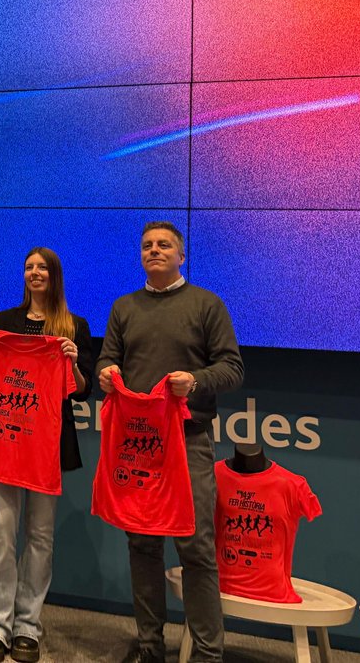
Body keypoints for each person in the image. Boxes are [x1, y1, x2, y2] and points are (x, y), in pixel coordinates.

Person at [96, 221, 244, 663]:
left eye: (164, 245)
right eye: (147, 246)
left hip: (188, 441)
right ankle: (149, 647)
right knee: (141, 546)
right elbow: (108, 357)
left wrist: (195, 380)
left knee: (195, 547)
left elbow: (232, 369)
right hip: (138, 447)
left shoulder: (206, 304)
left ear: (182, 255)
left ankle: (207, 654)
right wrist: (106, 374)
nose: (154, 251)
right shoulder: (124, 306)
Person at [0, 247, 90, 663]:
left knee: (40, 536)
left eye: (42, 267)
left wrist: (73, 363)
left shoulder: (74, 326)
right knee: (1, 534)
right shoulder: (1, 322)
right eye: (28, 267)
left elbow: (83, 388)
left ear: (54, 275)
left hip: (49, 445)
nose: (34, 273)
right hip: (4, 440)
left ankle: (27, 627)